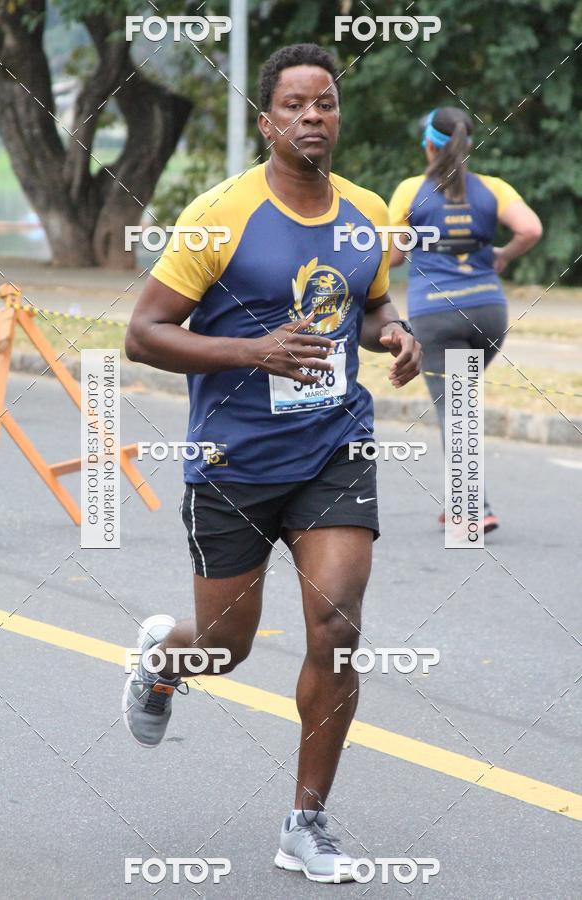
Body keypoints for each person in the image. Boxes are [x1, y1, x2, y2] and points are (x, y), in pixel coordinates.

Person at [122, 43, 422, 883]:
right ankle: (164, 660)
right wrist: (251, 351)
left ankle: (306, 823)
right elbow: (143, 335)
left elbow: (369, 304)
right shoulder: (219, 215)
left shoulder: (366, 212)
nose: (312, 116)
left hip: (333, 447)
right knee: (226, 647)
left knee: (337, 626)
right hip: (233, 460)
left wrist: (395, 332)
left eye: (325, 103)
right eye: (294, 105)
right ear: (266, 121)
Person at [388, 107, 542, 533]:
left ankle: (472, 507)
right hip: (489, 312)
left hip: (436, 313)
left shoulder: (410, 191)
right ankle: (463, 500)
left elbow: (395, 256)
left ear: (428, 145)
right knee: (461, 401)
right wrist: (502, 255)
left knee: (454, 407)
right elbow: (530, 229)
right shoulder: (493, 188)